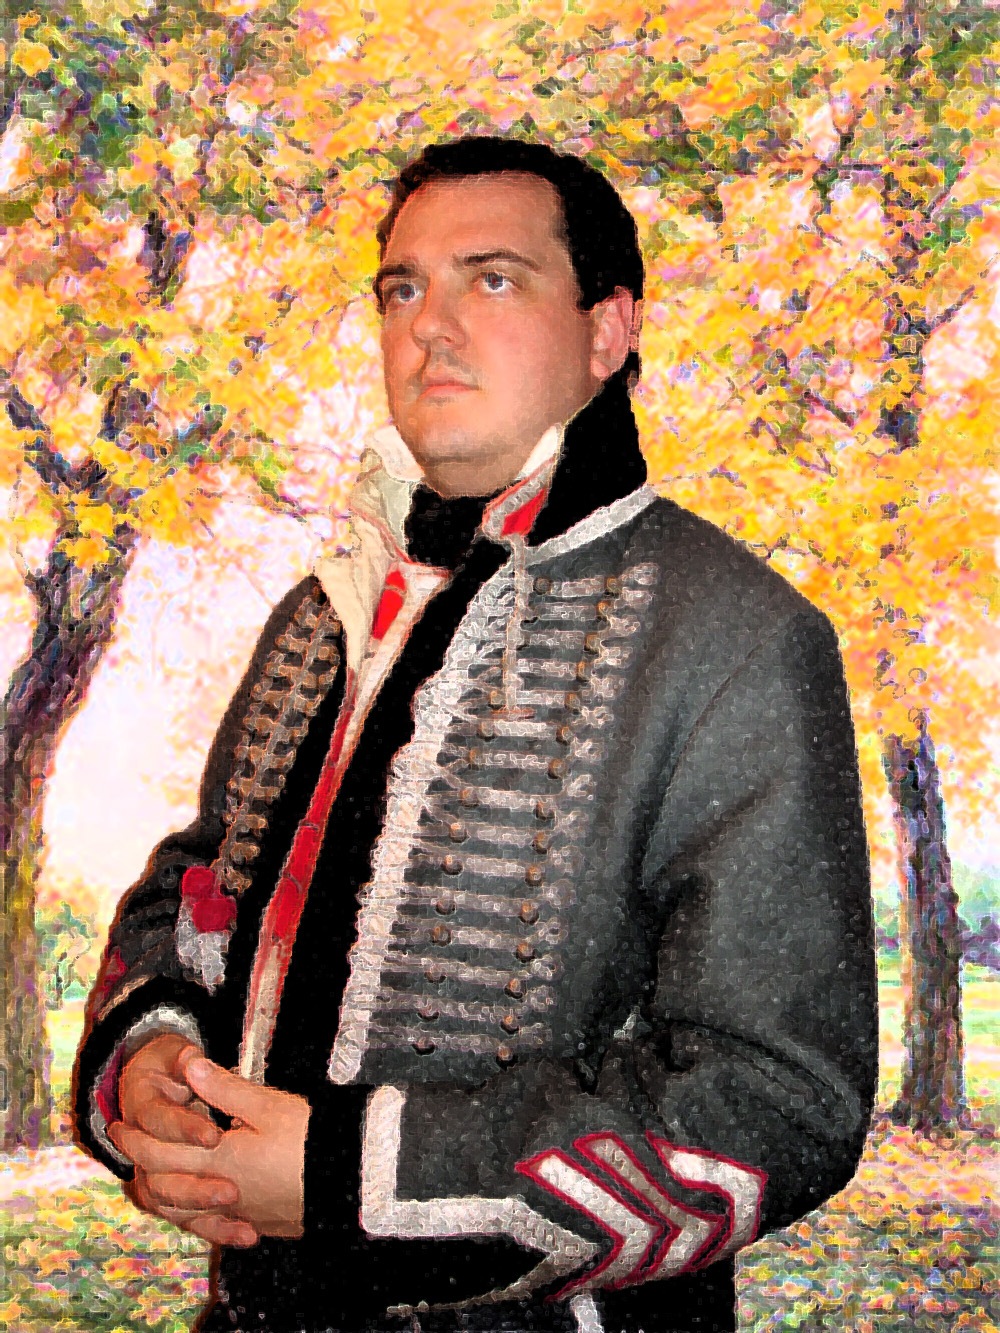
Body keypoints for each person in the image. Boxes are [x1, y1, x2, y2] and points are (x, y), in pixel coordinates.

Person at [74, 136, 878, 1333]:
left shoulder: (736, 634)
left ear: (608, 330)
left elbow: (778, 1099)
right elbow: (198, 889)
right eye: (402, 289)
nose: (431, 328)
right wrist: (156, 1061)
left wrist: (350, 1181)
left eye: (492, 279)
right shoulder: (326, 612)